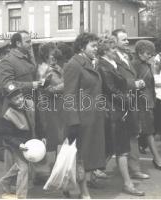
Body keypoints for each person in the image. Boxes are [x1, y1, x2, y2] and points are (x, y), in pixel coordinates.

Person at [97, 37, 144, 196]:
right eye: (112, 49)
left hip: (118, 109)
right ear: (104, 51)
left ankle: (90, 175)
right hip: (114, 111)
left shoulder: (111, 64)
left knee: (114, 147)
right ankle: (127, 184)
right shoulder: (103, 66)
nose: (115, 51)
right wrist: (127, 100)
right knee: (121, 149)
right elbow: (110, 89)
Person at [63, 32, 106, 198]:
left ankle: (69, 186)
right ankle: (84, 192)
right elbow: (69, 95)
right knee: (82, 156)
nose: (96, 49)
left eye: (97, 45)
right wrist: (73, 121)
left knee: (88, 156)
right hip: (81, 118)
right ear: (82, 47)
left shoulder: (91, 63)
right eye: (93, 46)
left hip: (94, 116)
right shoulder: (74, 65)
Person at [112, 28, 150, 179]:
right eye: (124, 39)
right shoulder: (112, 58)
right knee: (117, 137)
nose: (127, 42)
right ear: (115, 41)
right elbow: (114, 81)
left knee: (133, 134)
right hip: (120, 102)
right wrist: (134, 83)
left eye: (127, 39)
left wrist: (137, 84)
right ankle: (96, 169)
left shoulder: (127, 56)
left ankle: (135, 169)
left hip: (132, 101)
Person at [131, 40, 161, 171]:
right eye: (147, 53)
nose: (150, 56)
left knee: (148, 132)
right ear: (140, 52)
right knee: (148, 132)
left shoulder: (145, 65)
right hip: (140, 103)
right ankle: (157, 159)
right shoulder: (135, 64)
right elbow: (130, 83)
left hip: (148, 103)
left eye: (151, 53)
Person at [0, 83, 38, 199]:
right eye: (16, 99)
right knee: (23, 169)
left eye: (21, 96)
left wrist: (41, 137)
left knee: (20, 166)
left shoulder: (30, 104)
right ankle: (21, 196)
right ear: (10, 100)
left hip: (30, 142)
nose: (20, 100)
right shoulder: (7, 115)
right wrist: (19, 145)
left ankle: (5, 181)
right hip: (17, 145)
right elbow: (7, 136)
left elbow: (38, 122)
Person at [37, 42, 64, 152]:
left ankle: (62, 163)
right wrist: (65, 86)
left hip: (61, 104)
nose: (54, 58)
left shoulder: (57, 67)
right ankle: (58, 165)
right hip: (51, 106)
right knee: (57, 136)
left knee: (62, 135)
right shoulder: (42, 69)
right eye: (52, 55)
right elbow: (44, 88)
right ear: (45, 56)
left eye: (55, 55)